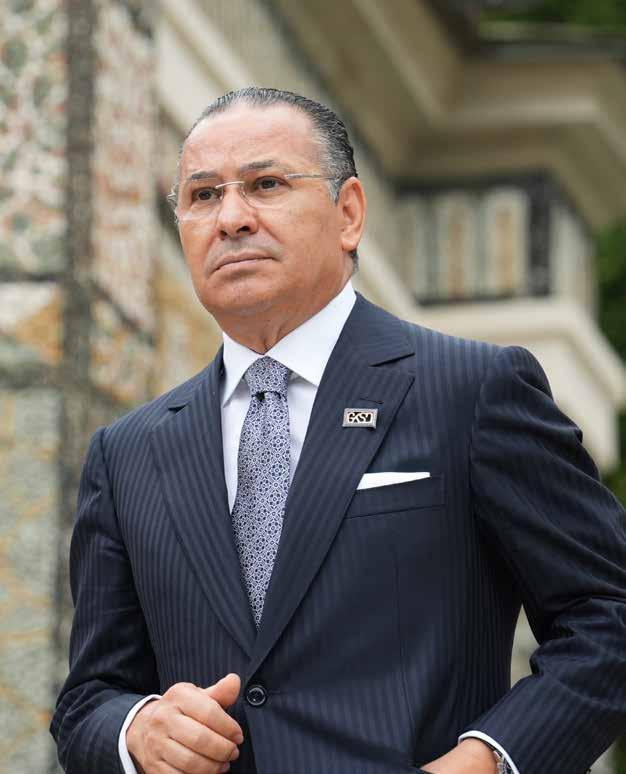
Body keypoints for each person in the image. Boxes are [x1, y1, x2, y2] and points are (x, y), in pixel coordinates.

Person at [50, 87, 626, 774]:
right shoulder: (128, 454)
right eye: (203, 196)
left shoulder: (470, 390)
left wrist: (486, 761)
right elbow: (88, 701)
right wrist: (139, 730)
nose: (231, 218)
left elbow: (608, 616)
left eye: (265, 184)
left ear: (348, 213)